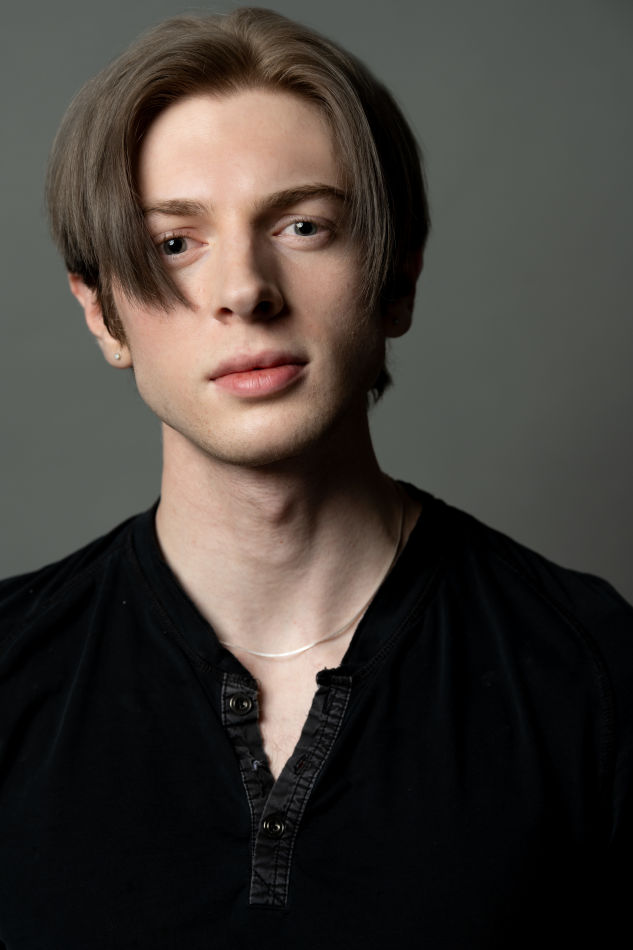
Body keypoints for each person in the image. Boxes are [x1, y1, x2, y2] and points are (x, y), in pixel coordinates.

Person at [0, 7, 630, 948]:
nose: (244, 290)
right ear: (102, 314)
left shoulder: (593, 671)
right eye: (175, 242)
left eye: (303, 225)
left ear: (397, 279)